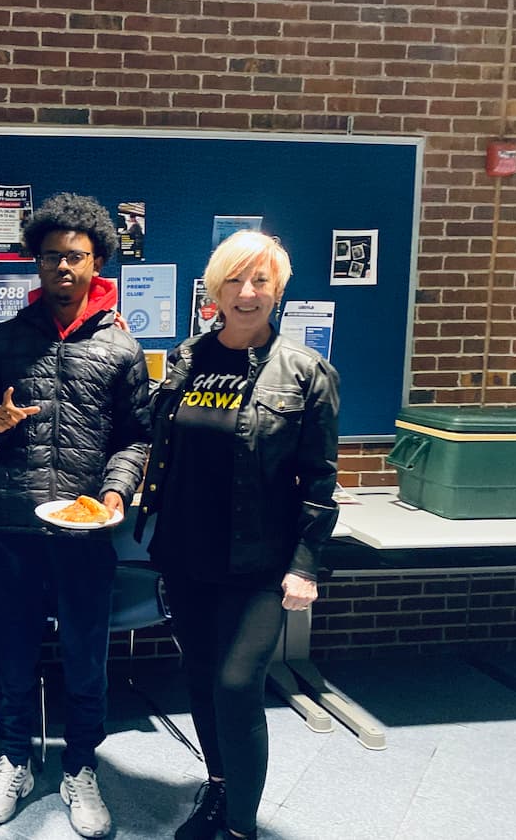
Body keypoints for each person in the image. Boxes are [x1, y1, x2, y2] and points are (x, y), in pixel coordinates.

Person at [136, 231, 340, 840]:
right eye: (234, 280)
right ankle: (220, 791)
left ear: (278, 289)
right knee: (201, 679)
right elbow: (162, 445)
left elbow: (320, 479)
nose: (246, 293)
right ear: (215, 289)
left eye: (260, 281)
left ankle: (241, 828)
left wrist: (306, 564)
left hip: (259, 562)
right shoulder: (186, 360)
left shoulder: (306, 373)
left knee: (235, 684)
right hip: (185, 553)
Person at [0, 192, 152, 839]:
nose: (62, 268)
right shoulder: (5, 341)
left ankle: (80, 767)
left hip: (87, 533)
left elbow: (137, 435)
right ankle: (14, 760)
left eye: (74, 257)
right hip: (17, 528)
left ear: (95, 259)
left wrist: (115, 494)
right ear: (36, 263)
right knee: (13, 657)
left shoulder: (122, 349)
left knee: (85, 660)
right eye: (51, 257)